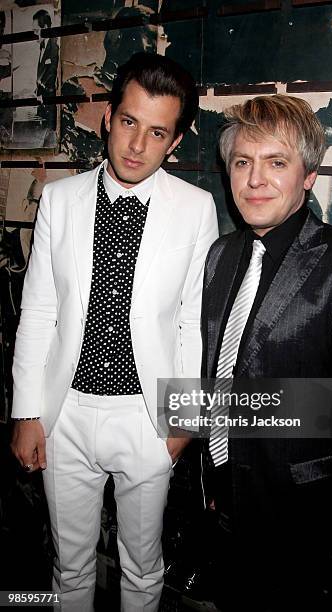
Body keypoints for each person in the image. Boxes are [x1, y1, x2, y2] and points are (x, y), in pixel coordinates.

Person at [11, 52, 218, 611]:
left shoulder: (197, 209)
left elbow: (191, 322)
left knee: (143, 569)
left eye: (156, 133)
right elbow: (38, 312)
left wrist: (182, 423)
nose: (136, 145)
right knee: (69, 566)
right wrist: (27, 413)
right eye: (129, 122)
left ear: (174, 142)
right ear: (107, 116)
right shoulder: (59, 199)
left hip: (146, 418)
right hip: (66, 414)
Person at [200, 94, 332, 610]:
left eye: (276, 163)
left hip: (306, 527)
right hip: (223, 505)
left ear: (308, 176)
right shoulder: (220, 255)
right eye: (243, 162)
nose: (255, 180)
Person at [32, 9, 59, 146]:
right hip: (43, 105)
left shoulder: (54, 46)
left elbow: (52, 76)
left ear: (46, 28)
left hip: (49, 107)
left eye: (37, 30)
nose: (35, 34)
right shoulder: (43, 46)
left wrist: (43, 93)